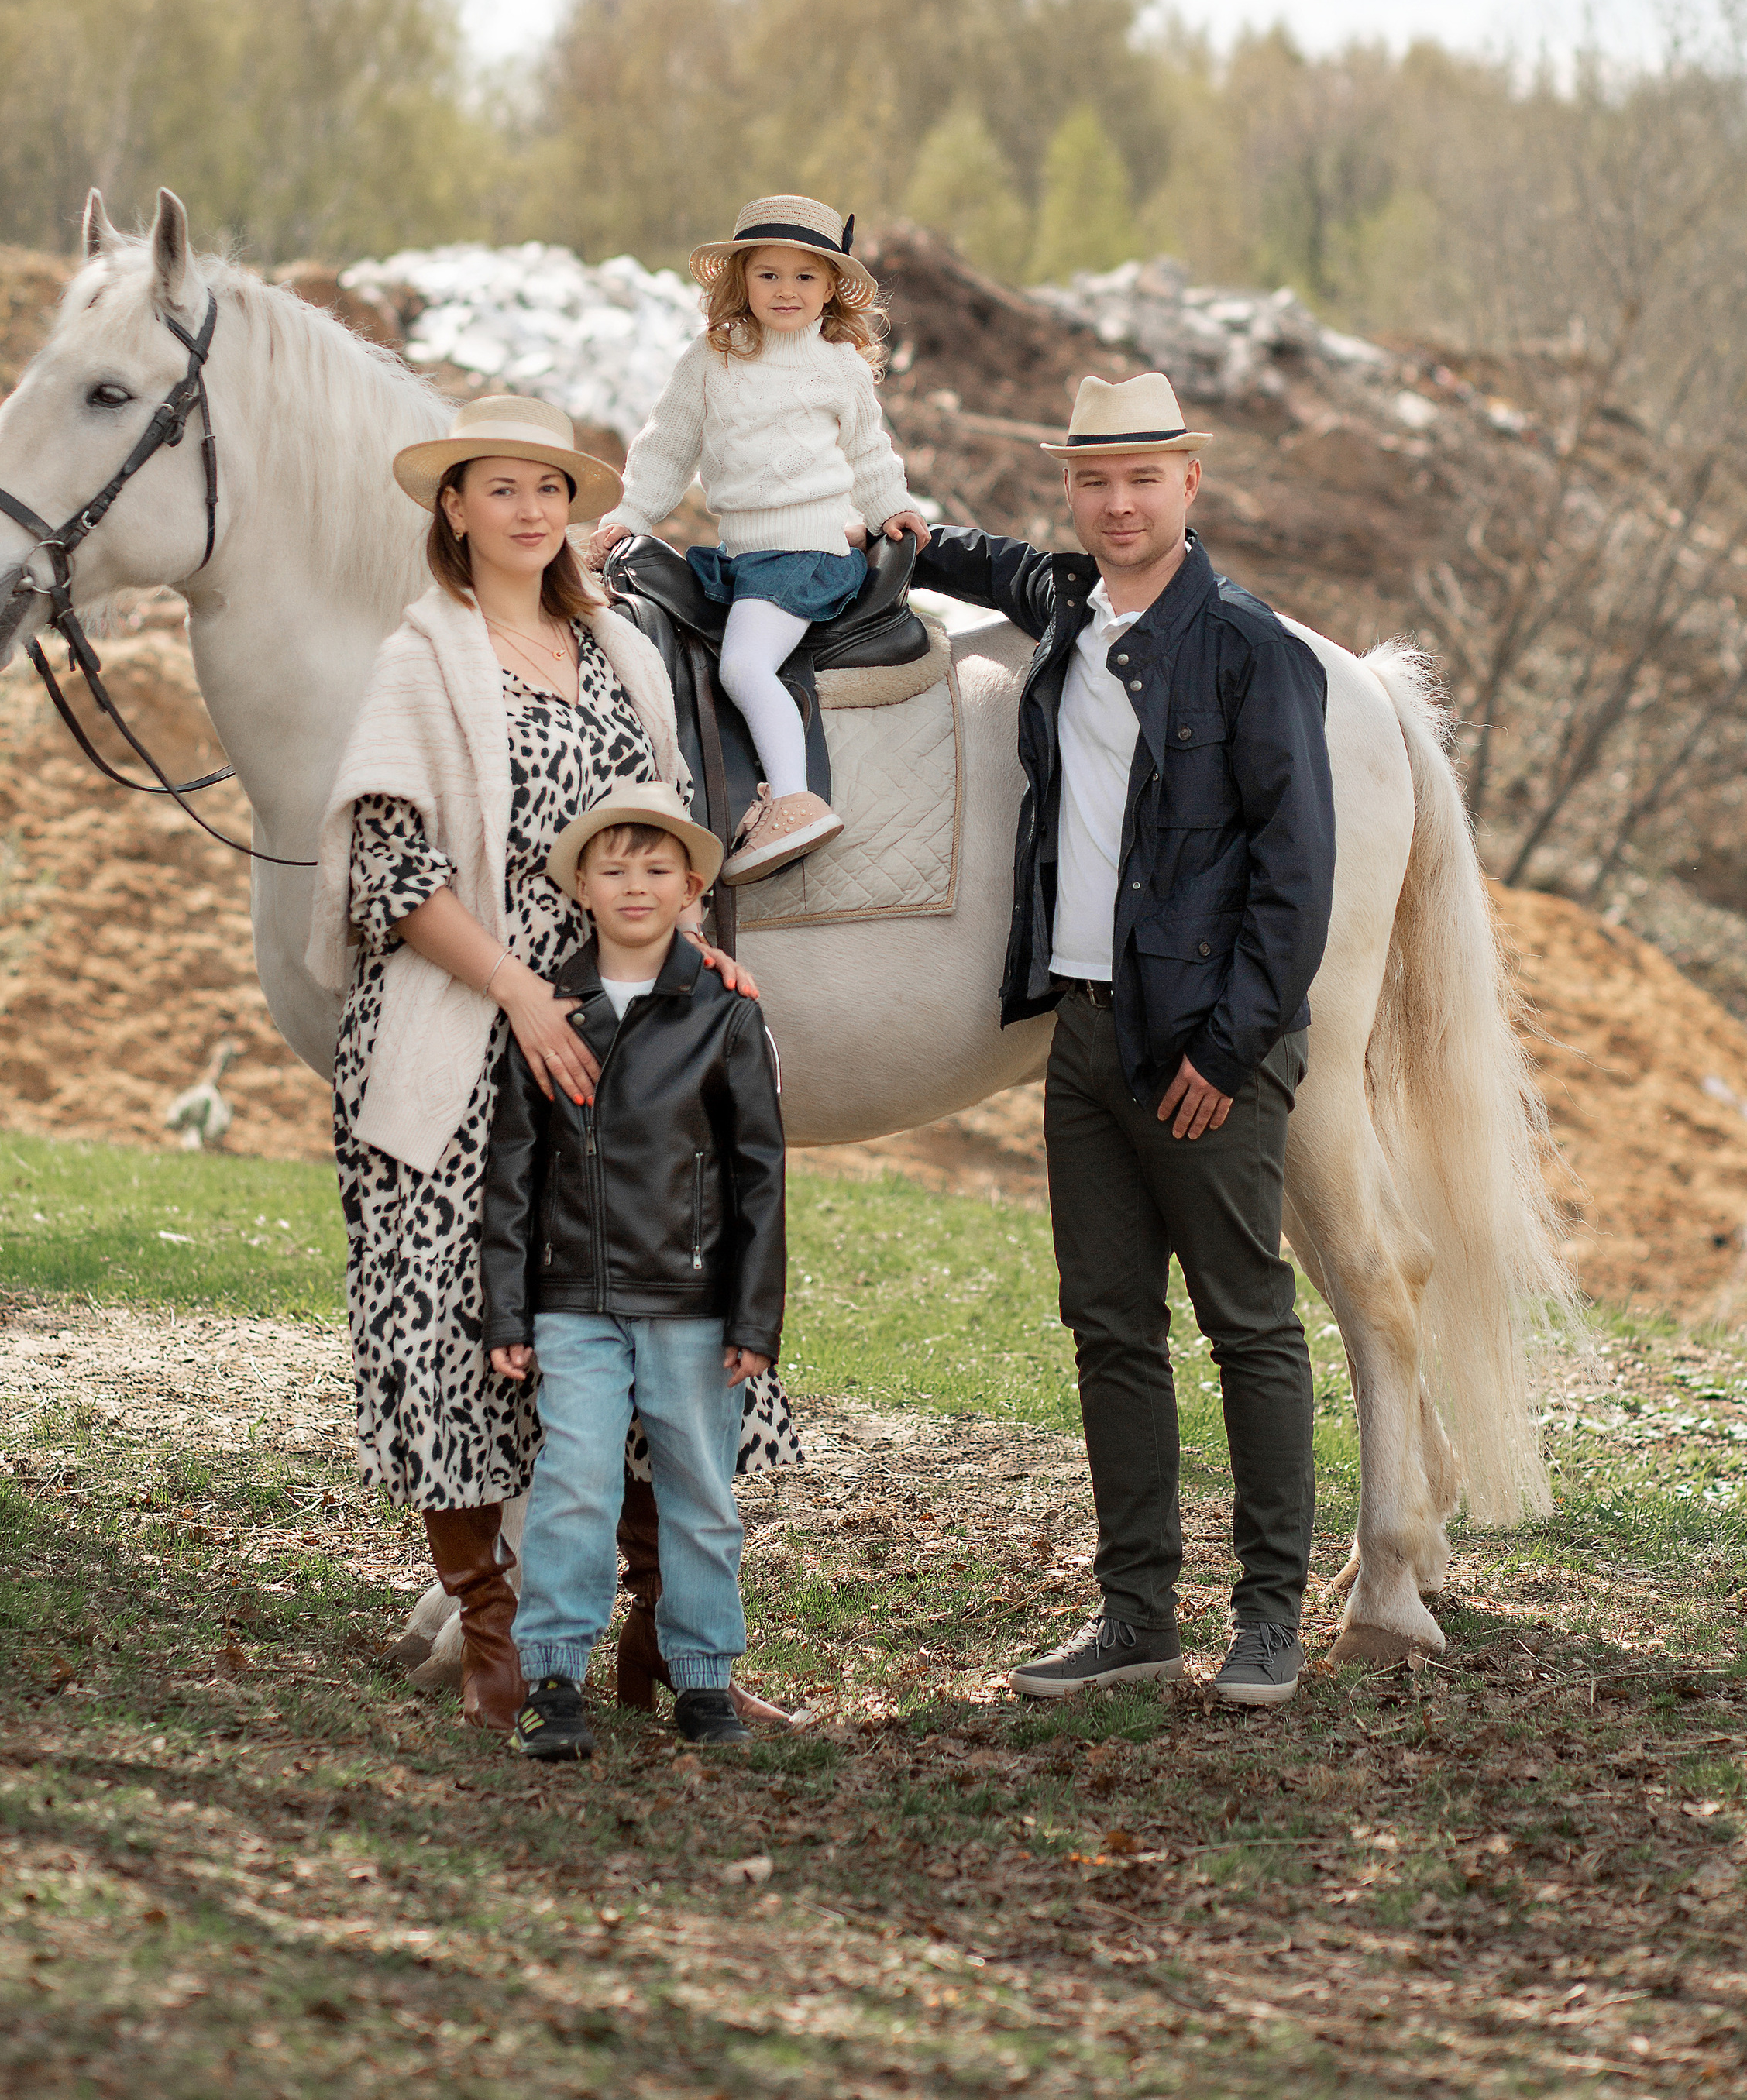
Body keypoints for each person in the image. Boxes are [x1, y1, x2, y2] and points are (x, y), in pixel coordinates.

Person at [306, 395, 800, 1735]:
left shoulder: (619, 648)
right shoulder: (424, 654)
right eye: (499, 487)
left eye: (549, 488)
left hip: (619, 1037)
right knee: (461, 1335)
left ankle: (666, 1641)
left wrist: (696, 949)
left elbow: (656, 840)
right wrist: (523, 988)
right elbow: (394, 868)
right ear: (454, 509)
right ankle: (497, 1639)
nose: (529, 509)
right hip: (467, 1026)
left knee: (655, 1305)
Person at [911, 371, 1336, 1708]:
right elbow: (994, 561)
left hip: (1207, 1043)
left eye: (1143, 475)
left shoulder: (1251, 647)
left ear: (1189, 483)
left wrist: (1229, 1046)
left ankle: (1269, 1614)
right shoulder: (1071, 605)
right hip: (1083, 1032)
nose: (1118, 500)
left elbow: (1298, 873)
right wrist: (907, 536)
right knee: (1107, 1326)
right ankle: (1135, 1612)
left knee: (1248, 1319)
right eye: (1095, 478)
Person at [480, 784, 786, 1761]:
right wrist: (506, 1311)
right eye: (613, 867)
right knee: (574, 1481)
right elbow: (512, 1171)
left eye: (657, 868)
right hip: (573, 1298)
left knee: (700, 1487)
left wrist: (754, 1314)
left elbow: (758, 1174)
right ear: (582, 885)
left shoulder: (726, 1013)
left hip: (694, 1301)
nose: (635, 884)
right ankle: (553, 1678)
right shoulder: (551, 1013)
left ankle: (702, 1677)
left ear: (692, 887)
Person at [583, 196, 933, 885]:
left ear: (832, 287)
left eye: (805, 277)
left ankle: (794, 801)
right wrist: (633, 513)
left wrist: (892, 505)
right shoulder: (709, 360)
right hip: (746, 556)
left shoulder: (840, 365)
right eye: (768, 274)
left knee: (743, 666)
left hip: (809, 555)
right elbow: (667, 447)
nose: (786, 290)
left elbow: (868, 452)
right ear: (739, 279)